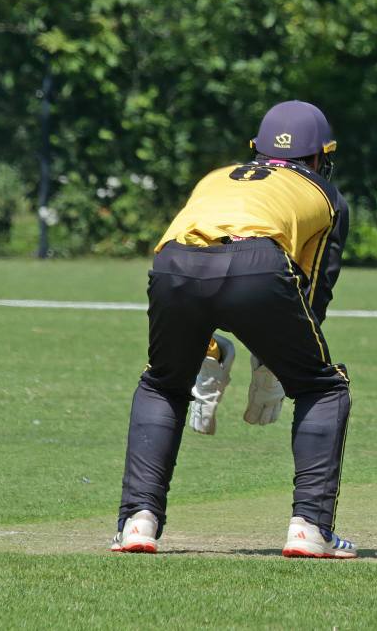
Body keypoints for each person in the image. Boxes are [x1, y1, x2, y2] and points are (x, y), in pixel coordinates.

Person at [110, 100, 356, 557]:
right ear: (319, 155)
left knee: (163, 383)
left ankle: (137, 522)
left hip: (173, 264)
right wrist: (279, 362)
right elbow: (313, 292)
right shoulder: (326, 195)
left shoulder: (216, 176)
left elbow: (201, 252)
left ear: (257, 148)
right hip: (257, 267)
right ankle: (310, 528)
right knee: (322, 387)